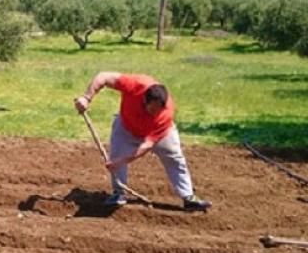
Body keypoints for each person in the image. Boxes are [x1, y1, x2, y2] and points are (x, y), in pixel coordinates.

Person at [74, 71, 212, 211]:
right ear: (144, 100)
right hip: (126, 125)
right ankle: (118, 193)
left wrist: (122, 161)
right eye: (152, 110)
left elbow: (146, 145)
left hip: (159, 134)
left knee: (174, 158)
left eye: (159, 110)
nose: (155, 113)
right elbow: (103, 77)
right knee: (116, 153)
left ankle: (188, 197)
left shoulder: (165, 114)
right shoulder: (135, 84)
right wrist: (87, 98)